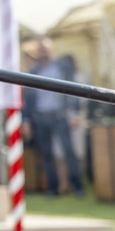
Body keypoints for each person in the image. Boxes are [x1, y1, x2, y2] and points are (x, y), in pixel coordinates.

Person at [25, 38, 86, 197]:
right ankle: (53, 188)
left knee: (69, 151)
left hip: (60, 115)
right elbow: (28, 97)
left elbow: (74, 90)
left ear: (52, 50)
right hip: (41, 116)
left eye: (46, 49)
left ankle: (77, 187)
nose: (44, 52)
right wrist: (26, 120)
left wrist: (76, 112)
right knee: (47, 155)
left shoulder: (62, 68)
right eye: (41, 49)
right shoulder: (34, 71)